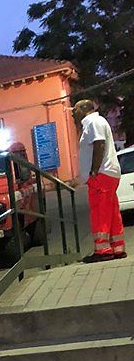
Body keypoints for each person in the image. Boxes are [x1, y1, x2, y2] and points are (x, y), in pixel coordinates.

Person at [73, 99, 126, 263]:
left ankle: (103, 250)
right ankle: (118, 247)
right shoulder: (98, 121)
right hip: (109, 173)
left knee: (99, 211)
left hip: (101, 174)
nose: (73, 113)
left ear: (84, 109)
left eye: (75, 109)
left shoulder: (92, 122)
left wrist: (94, 170)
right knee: (111, 210)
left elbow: (99, 144)